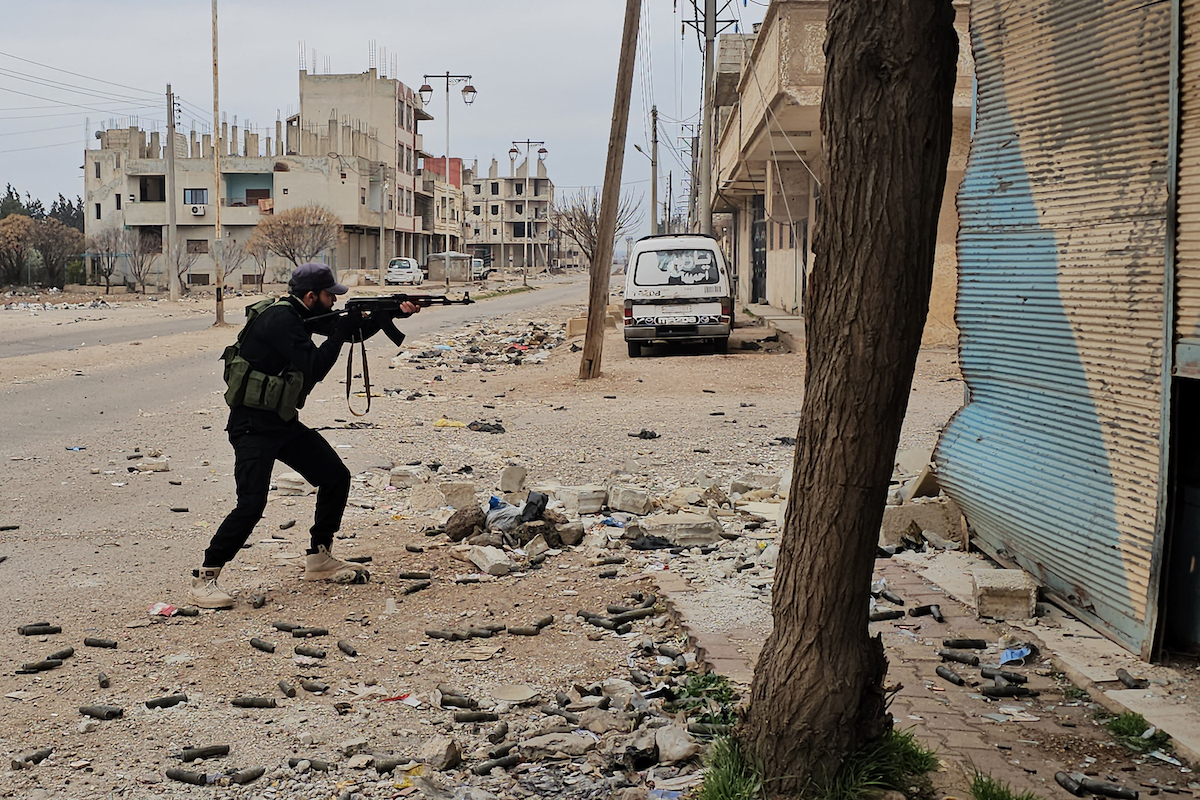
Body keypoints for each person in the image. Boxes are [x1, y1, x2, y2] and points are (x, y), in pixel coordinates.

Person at [188, 262, 420, 608]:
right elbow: (316, 366)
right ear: (312, 296)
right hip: (252, 426)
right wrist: (344, 328)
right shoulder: (281, 320)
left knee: (335, 477)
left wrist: (389, 315)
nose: (333, 302)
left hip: (280, 421)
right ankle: (205, 576)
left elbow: (348, 331)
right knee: (251, 505)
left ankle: (319, 557)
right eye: (330, 296)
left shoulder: (302, 313)